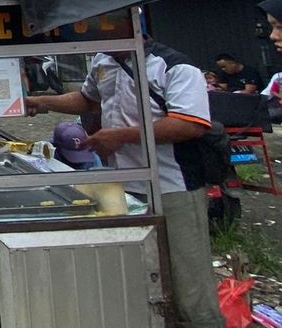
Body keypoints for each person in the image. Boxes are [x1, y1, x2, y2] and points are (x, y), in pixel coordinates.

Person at [26, 42, 222, 328]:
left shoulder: (173, 65)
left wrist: (121, 136)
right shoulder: (102, 61)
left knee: (189, 281)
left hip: (173, 187)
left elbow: (190, 124)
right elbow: (87, 99)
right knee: (139, 273)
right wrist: (39, 101)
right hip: (123, 185)